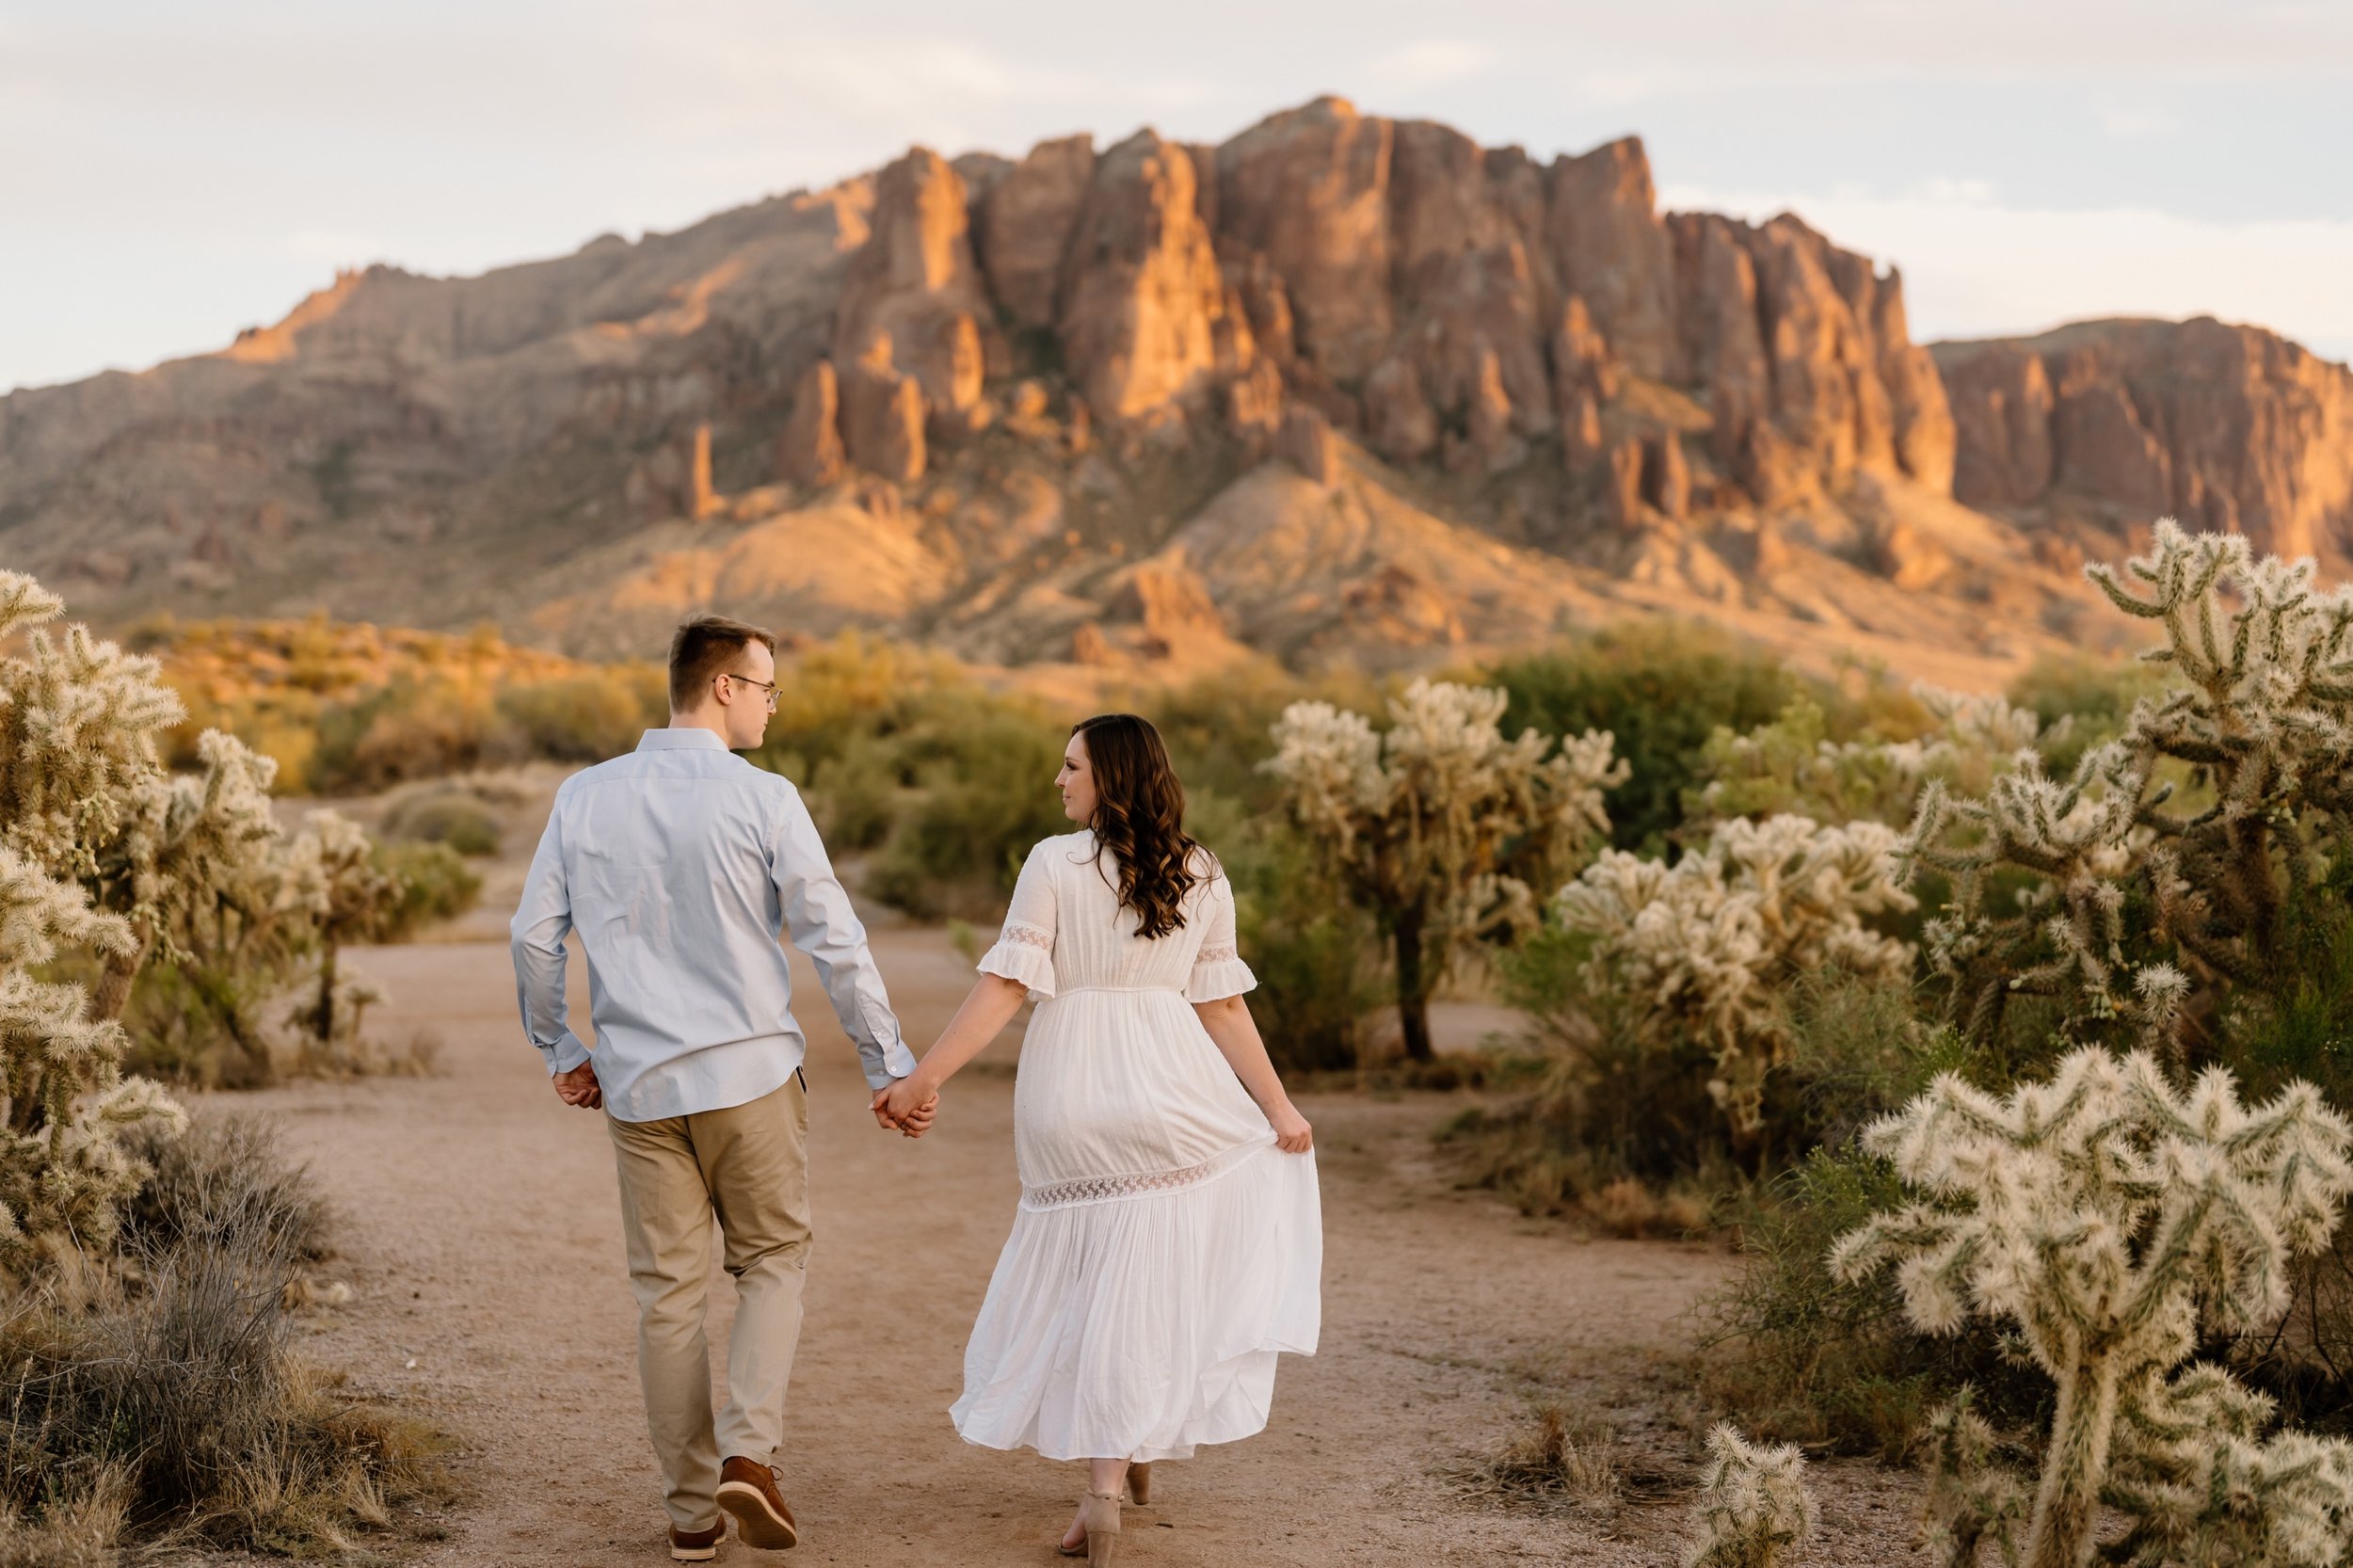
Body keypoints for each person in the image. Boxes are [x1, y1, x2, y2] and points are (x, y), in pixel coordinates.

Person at [510, 614, 936, 1562]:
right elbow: (835, 938)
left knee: (666, 1294)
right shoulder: (767, 799)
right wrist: (887, 1063)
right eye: (767, 687)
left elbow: (534, 936)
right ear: (723, 688)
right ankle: (749, 1452)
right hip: (748, 1075)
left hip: (638, 1088)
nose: (774, 705)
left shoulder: (583, 797)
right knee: (773, 1261)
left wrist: (561, 1048)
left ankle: (692, 1515)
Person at [878, 712, 1321, 1564]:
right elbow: (1223, 1007)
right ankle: (1116, 1477)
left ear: (1109, 776)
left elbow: (1007, 986)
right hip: (1175, 1086)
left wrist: (921, 1081)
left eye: (1072, 765)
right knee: (1153, 1269)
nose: (1059, 780)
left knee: (1100, 1279)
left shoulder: (1053, 861)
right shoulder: (1202, 868)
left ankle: (1118, 1472)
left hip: (1070, 1090)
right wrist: (1279, 1110)